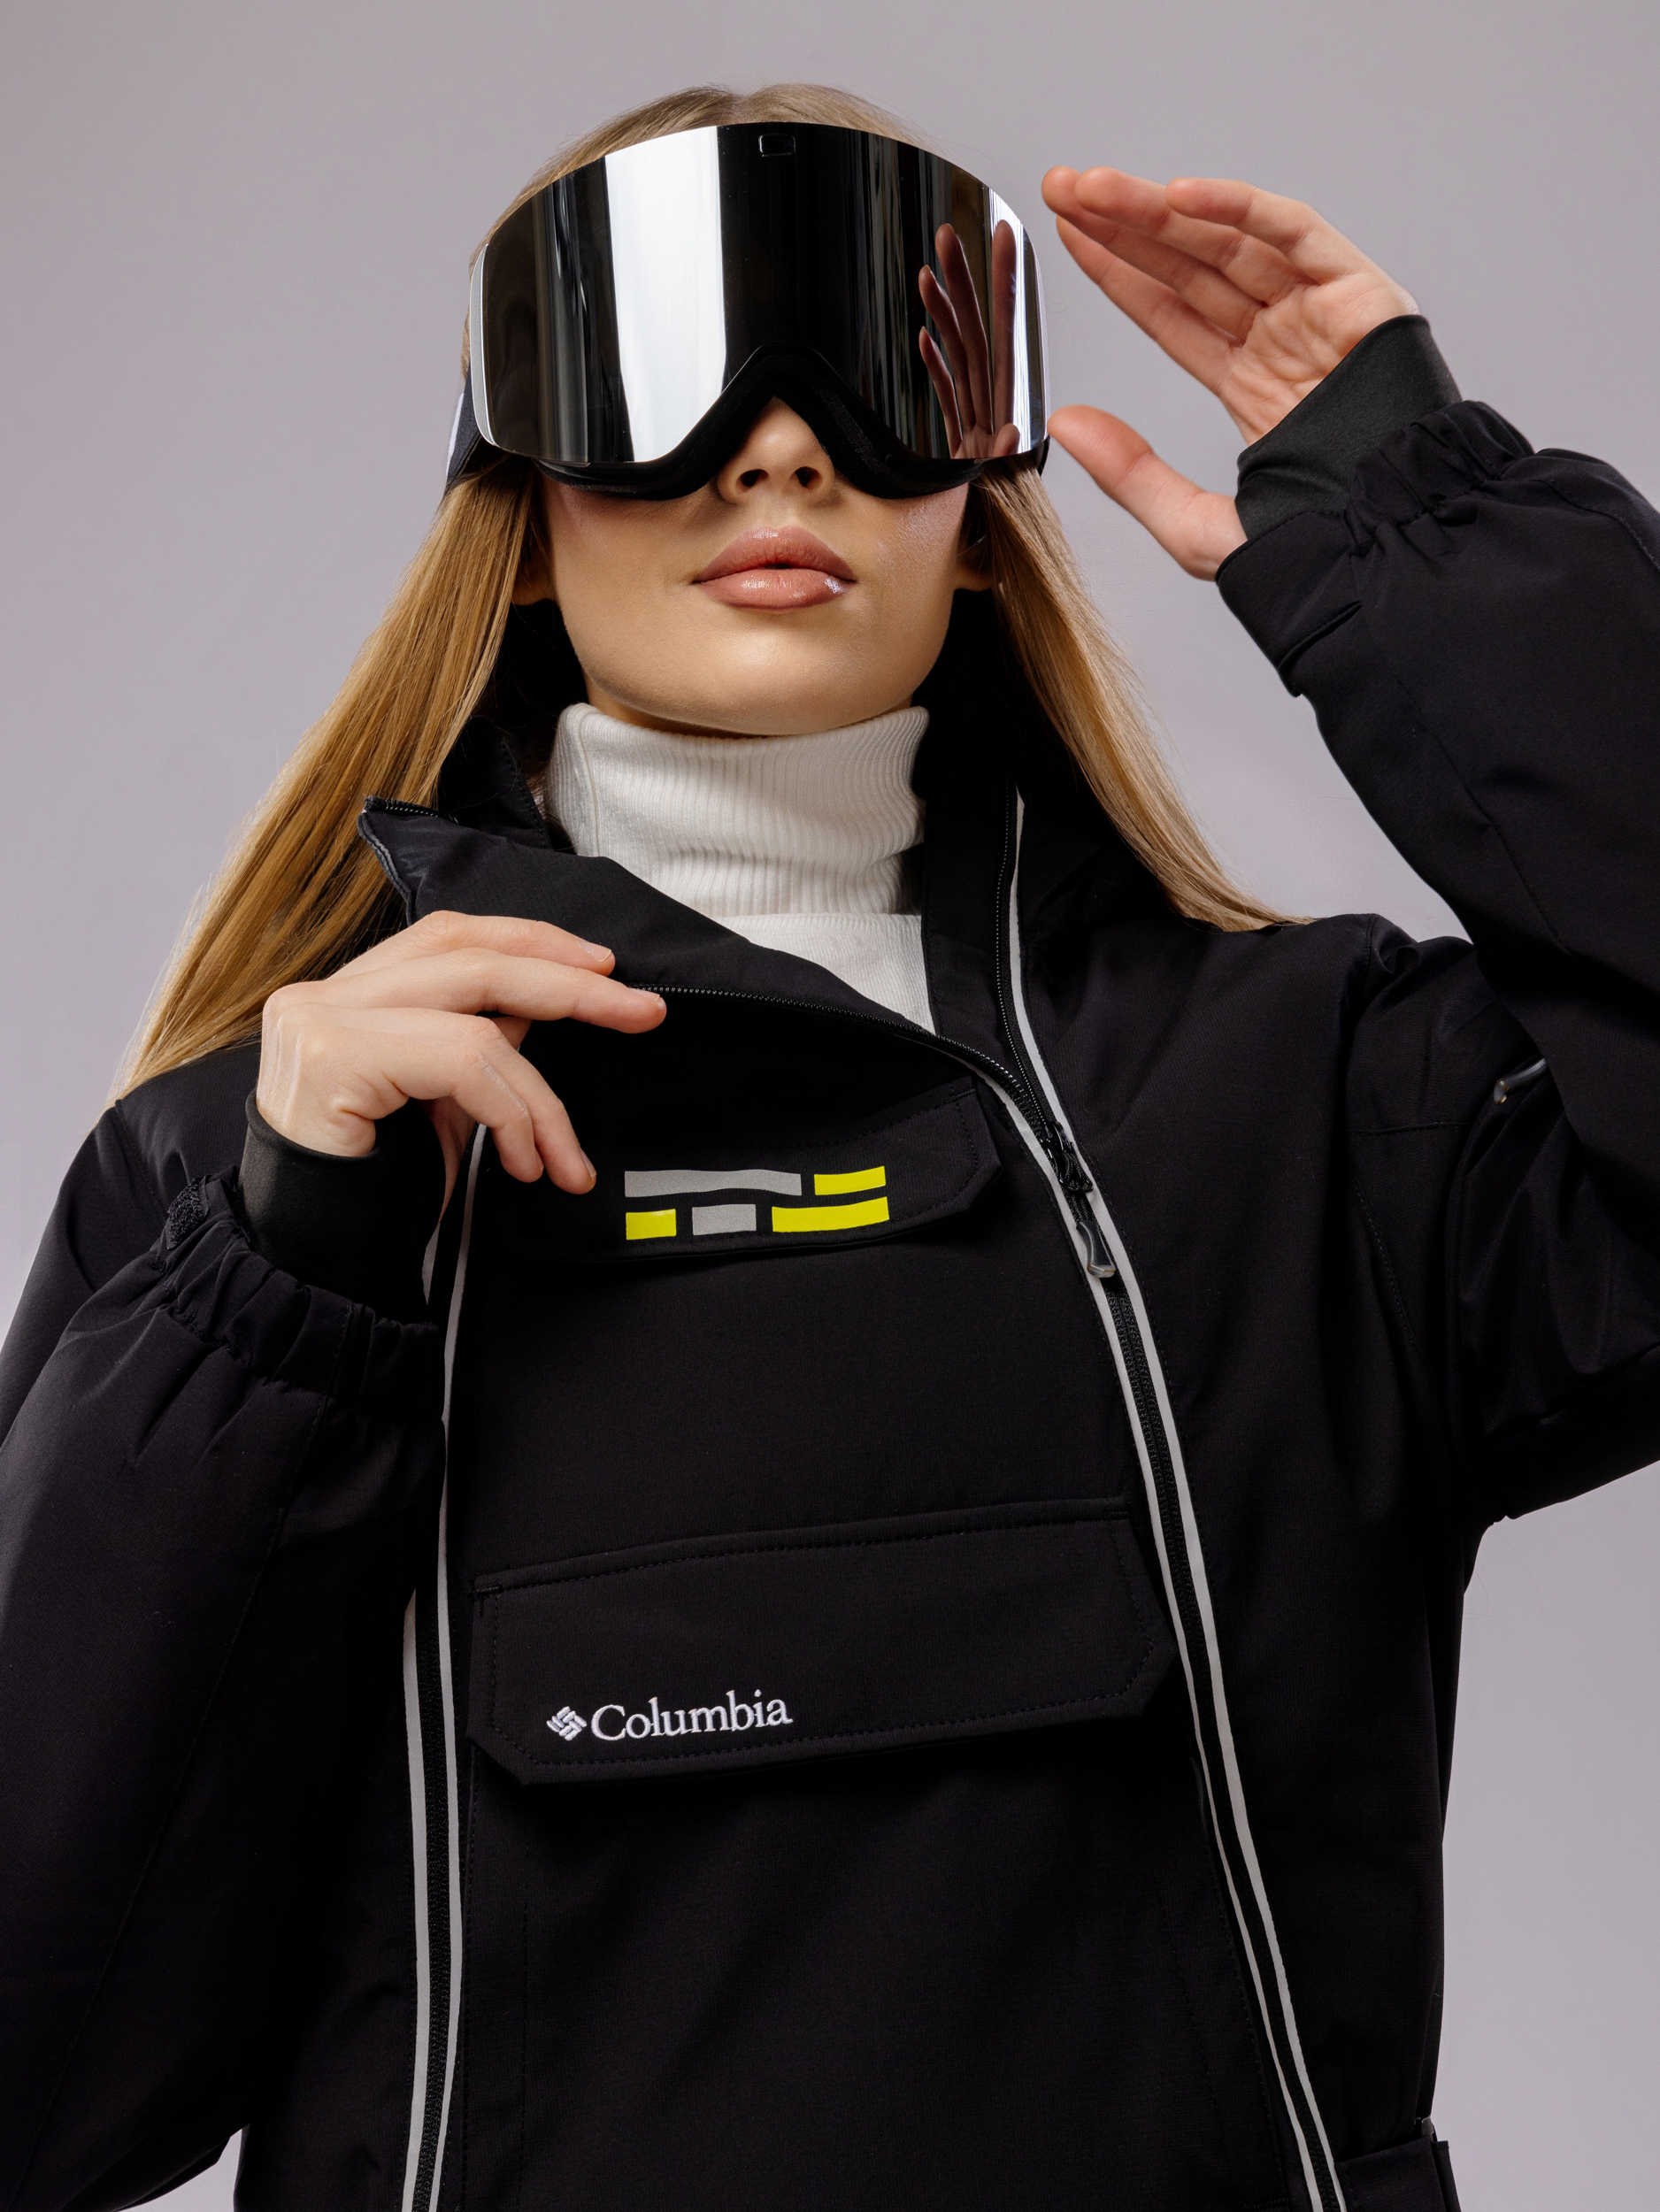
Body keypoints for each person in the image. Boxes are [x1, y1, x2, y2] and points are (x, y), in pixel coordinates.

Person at [2, 76, 1656, 2212]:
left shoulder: (1312, 1103)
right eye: (658, 381)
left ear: (974, 506)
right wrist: (284, 1273)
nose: (778, 449)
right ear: (522, 510)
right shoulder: (257, 1183)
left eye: (875, 381)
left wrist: (1436, 536)